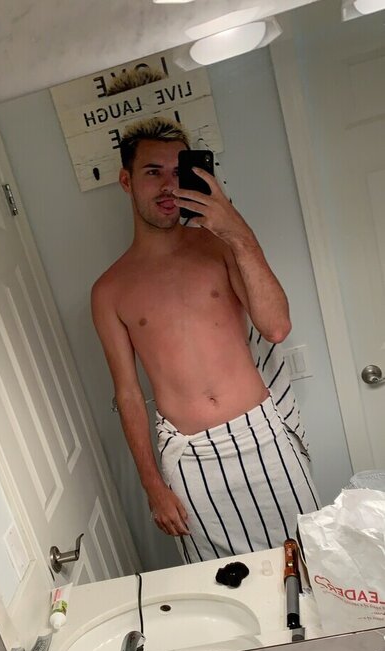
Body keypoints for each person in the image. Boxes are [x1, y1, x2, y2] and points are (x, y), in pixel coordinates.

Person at [92, 117, 319, 562]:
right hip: (189, 458)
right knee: (220, 587)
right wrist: (152, 485)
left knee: (308, 565)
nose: (168, 185)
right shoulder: (109, 290)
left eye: (179, 172)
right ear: (126, 181)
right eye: (153, 172)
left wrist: (236, 229)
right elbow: (128, 394)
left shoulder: (220, 247)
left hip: (262, 438)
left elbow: (276, 327)